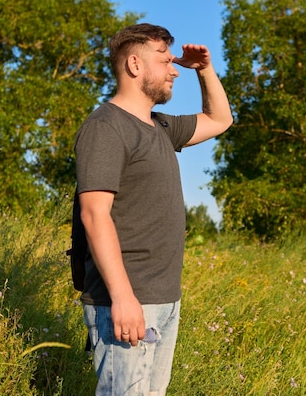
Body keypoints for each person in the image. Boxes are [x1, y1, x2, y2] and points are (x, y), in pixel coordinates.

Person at [74, 23, 233, 396]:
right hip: (128, 300)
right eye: (165, 60)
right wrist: (123, 298)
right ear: (134, 64)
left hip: (163, 298)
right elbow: (94, 214)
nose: (174, 69)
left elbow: (220, 120)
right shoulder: (106, 127)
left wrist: (205, 69)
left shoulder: (160, 127)